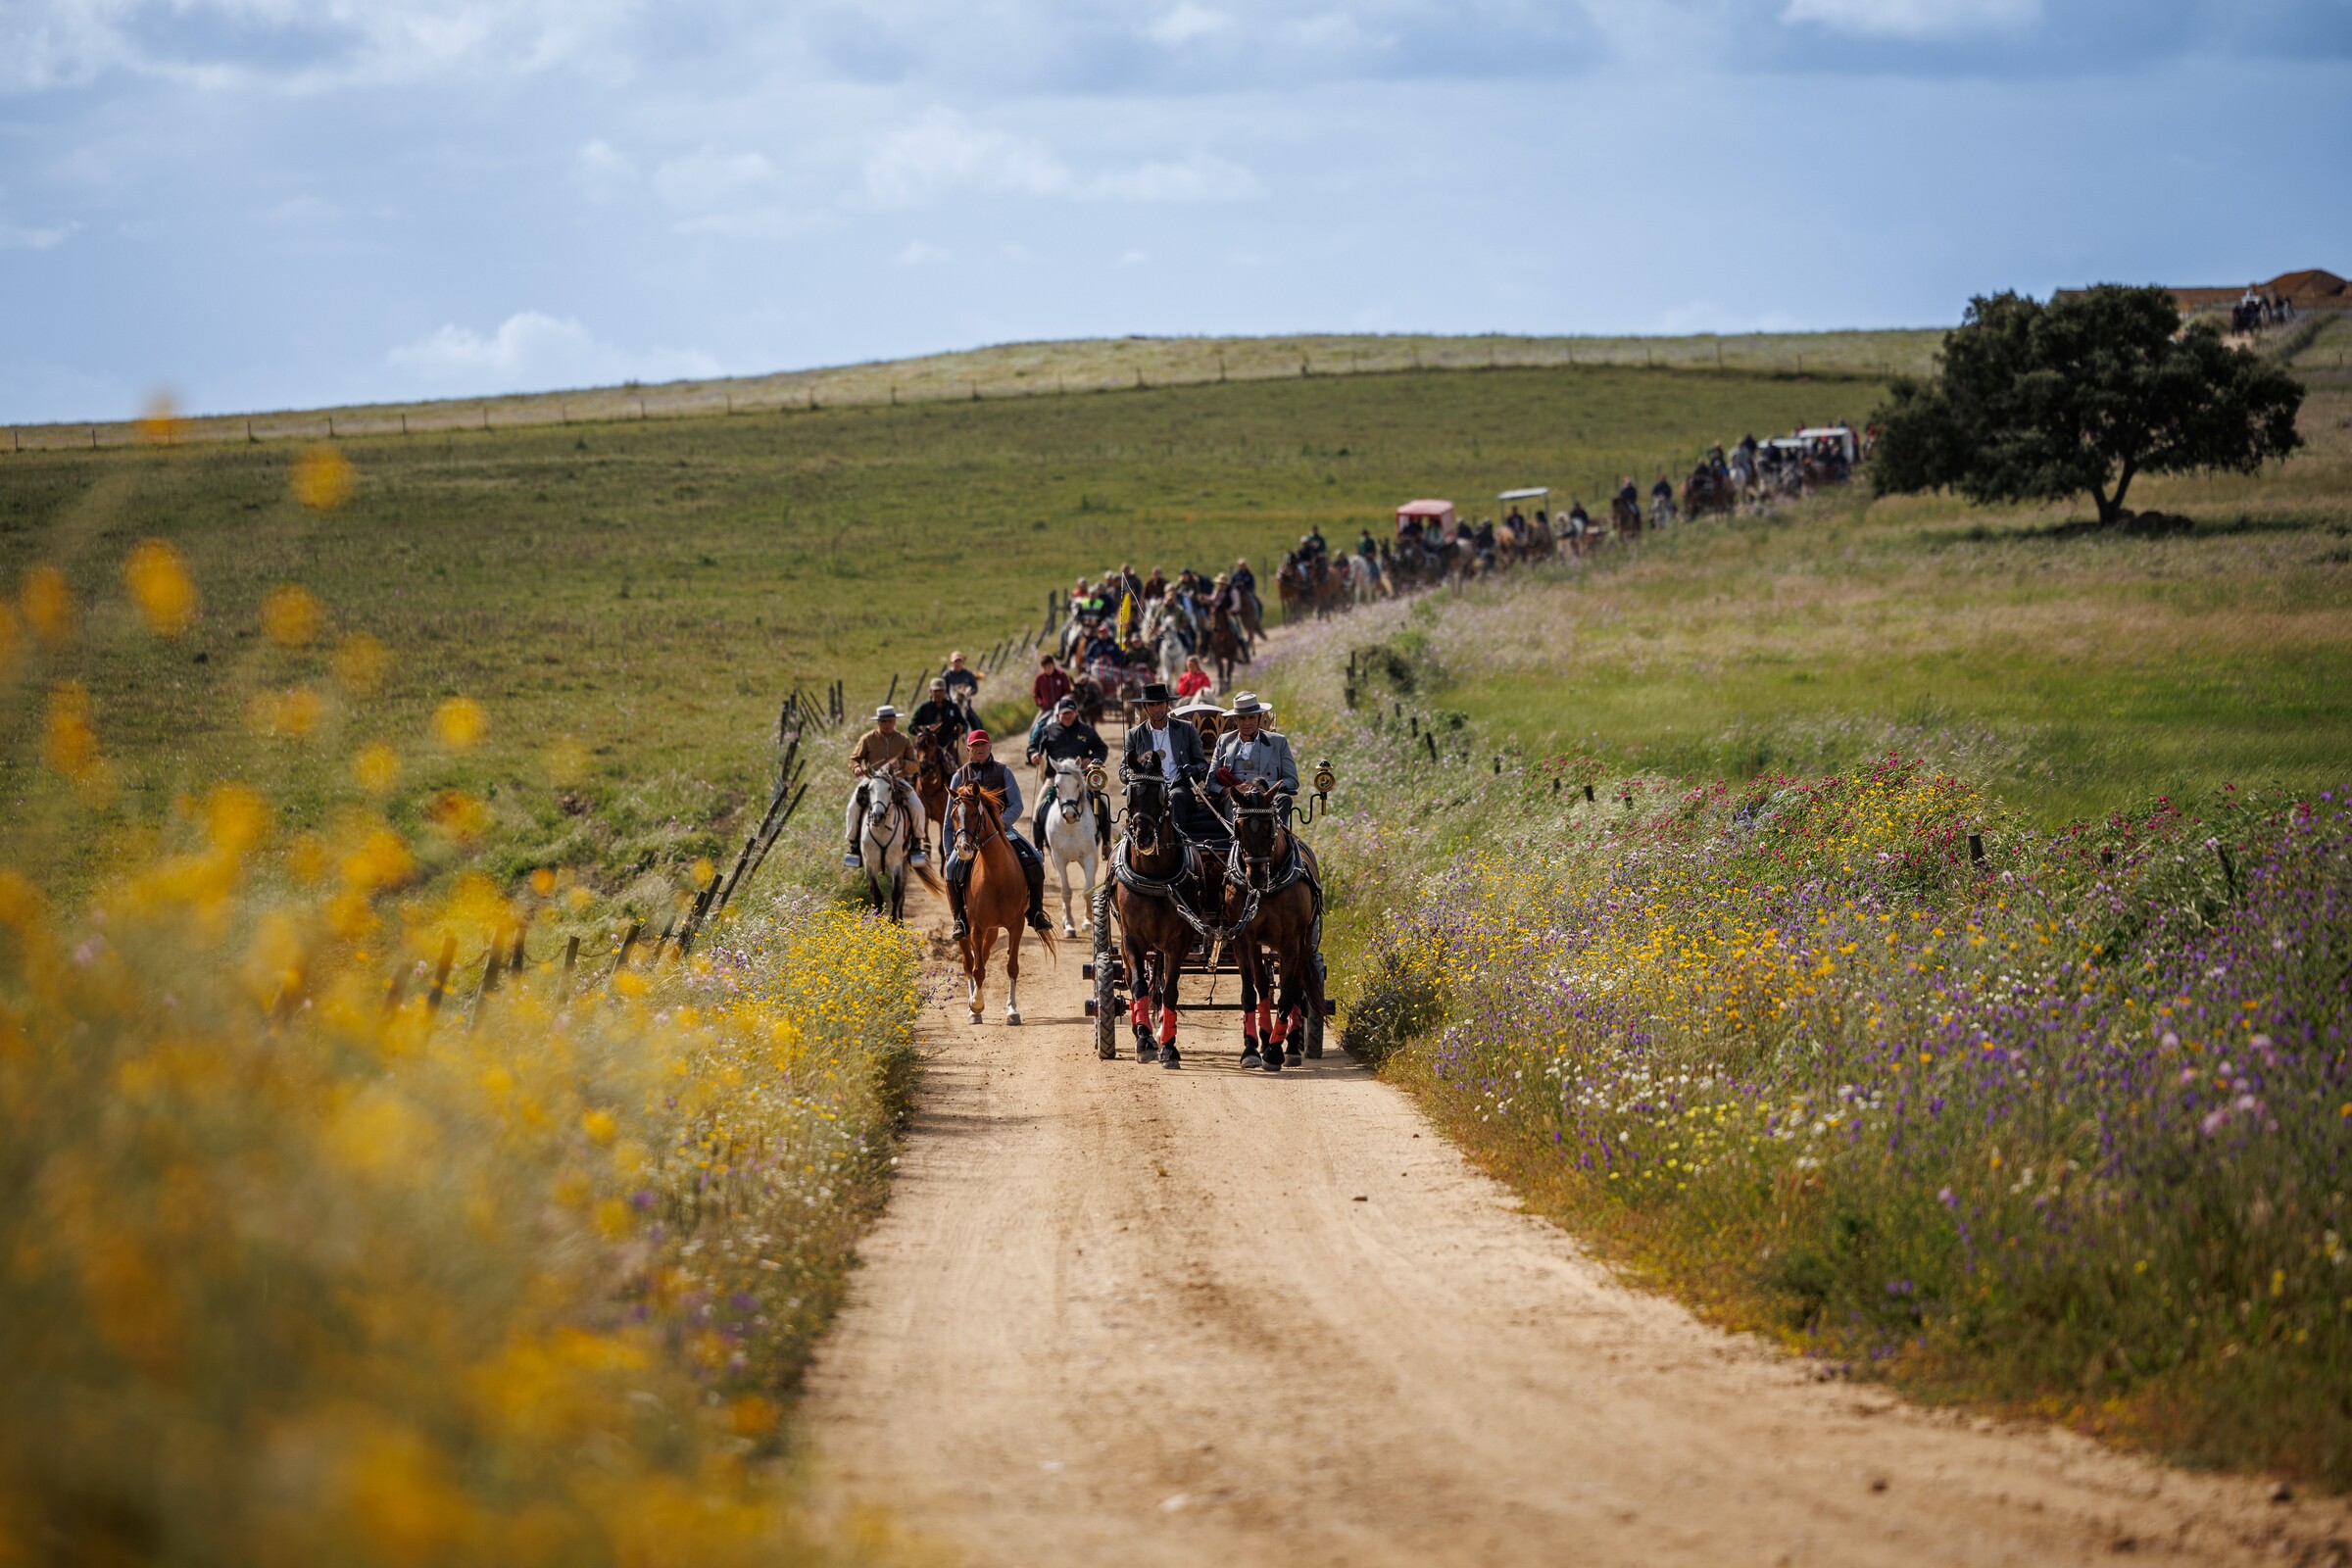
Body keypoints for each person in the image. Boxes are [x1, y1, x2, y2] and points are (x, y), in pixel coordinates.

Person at [942, 728, 1051, 939]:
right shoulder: (959, 776)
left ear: (990, 747)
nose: (980, 749)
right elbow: (950, 817)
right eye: (976, 746)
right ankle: (959, 921)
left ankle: (1036, 913)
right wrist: (949, 850)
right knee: (951, 868)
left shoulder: (1003, 772)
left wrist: (998, 823)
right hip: (969, 836)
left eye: (984, 745)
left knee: (1036, 859)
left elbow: (1017, 805)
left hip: (1003, 832)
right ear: (968, 749)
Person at [1119, 681, 1215, 843]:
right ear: (1144, 708)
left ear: (1167, 704)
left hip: (1179, 790)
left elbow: (1202, 764)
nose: (1156, 710)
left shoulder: (1186, 729)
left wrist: (1193, 770)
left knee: (1176, 798)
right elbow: (1123, 772)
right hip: (1147, 792)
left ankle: (1174, 845)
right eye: (1152, 705)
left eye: (1160, 704)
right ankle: (1140, 842)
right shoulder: (1134, 735)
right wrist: (1137, 772)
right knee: (1145, 801)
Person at [844, 706, 924, 869]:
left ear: (894, 721)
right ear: (878, 722)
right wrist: (857, 768)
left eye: (890, 721)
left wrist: (901, 763)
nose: (887, 724)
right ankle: (853, 846)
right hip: (872, 781)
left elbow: (916, 766)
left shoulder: (903, 740)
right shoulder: (867, 739)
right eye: (883, 721)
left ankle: (916, 843)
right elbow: (853, 759)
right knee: (852, 807)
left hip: (897, 780)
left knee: (917, 807)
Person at [1028, 696, 1111, 850]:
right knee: (1038, 809)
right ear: (1058, 714)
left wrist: (1091, 758)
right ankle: (1038, 849)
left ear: (1076, 713)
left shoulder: (1087, 731)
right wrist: (1034, 754)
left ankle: (1106, 843)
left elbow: (1102, 749)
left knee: (1102, 805)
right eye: (1064, 713)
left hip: (1081, 780)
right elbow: (1033, 746)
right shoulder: (1048, 731)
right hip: (1054, 779)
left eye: (1070, 713)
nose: (1067, 716)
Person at [1205, 692, 1298, 826]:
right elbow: (1210, 784)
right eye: (1242, 718)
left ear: (1259, 717)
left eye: (1251, 717)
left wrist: (1263, 788)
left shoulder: (1278, 742)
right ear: (1235, 720)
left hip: (1265, 798)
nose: (1247, 723)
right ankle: (1237, 840)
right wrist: (1231, 791)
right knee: (1232, 804)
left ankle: (1275, 839)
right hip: (1235, 799)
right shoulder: (1224, 741)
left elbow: (1292, 781)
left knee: (1284, 799)